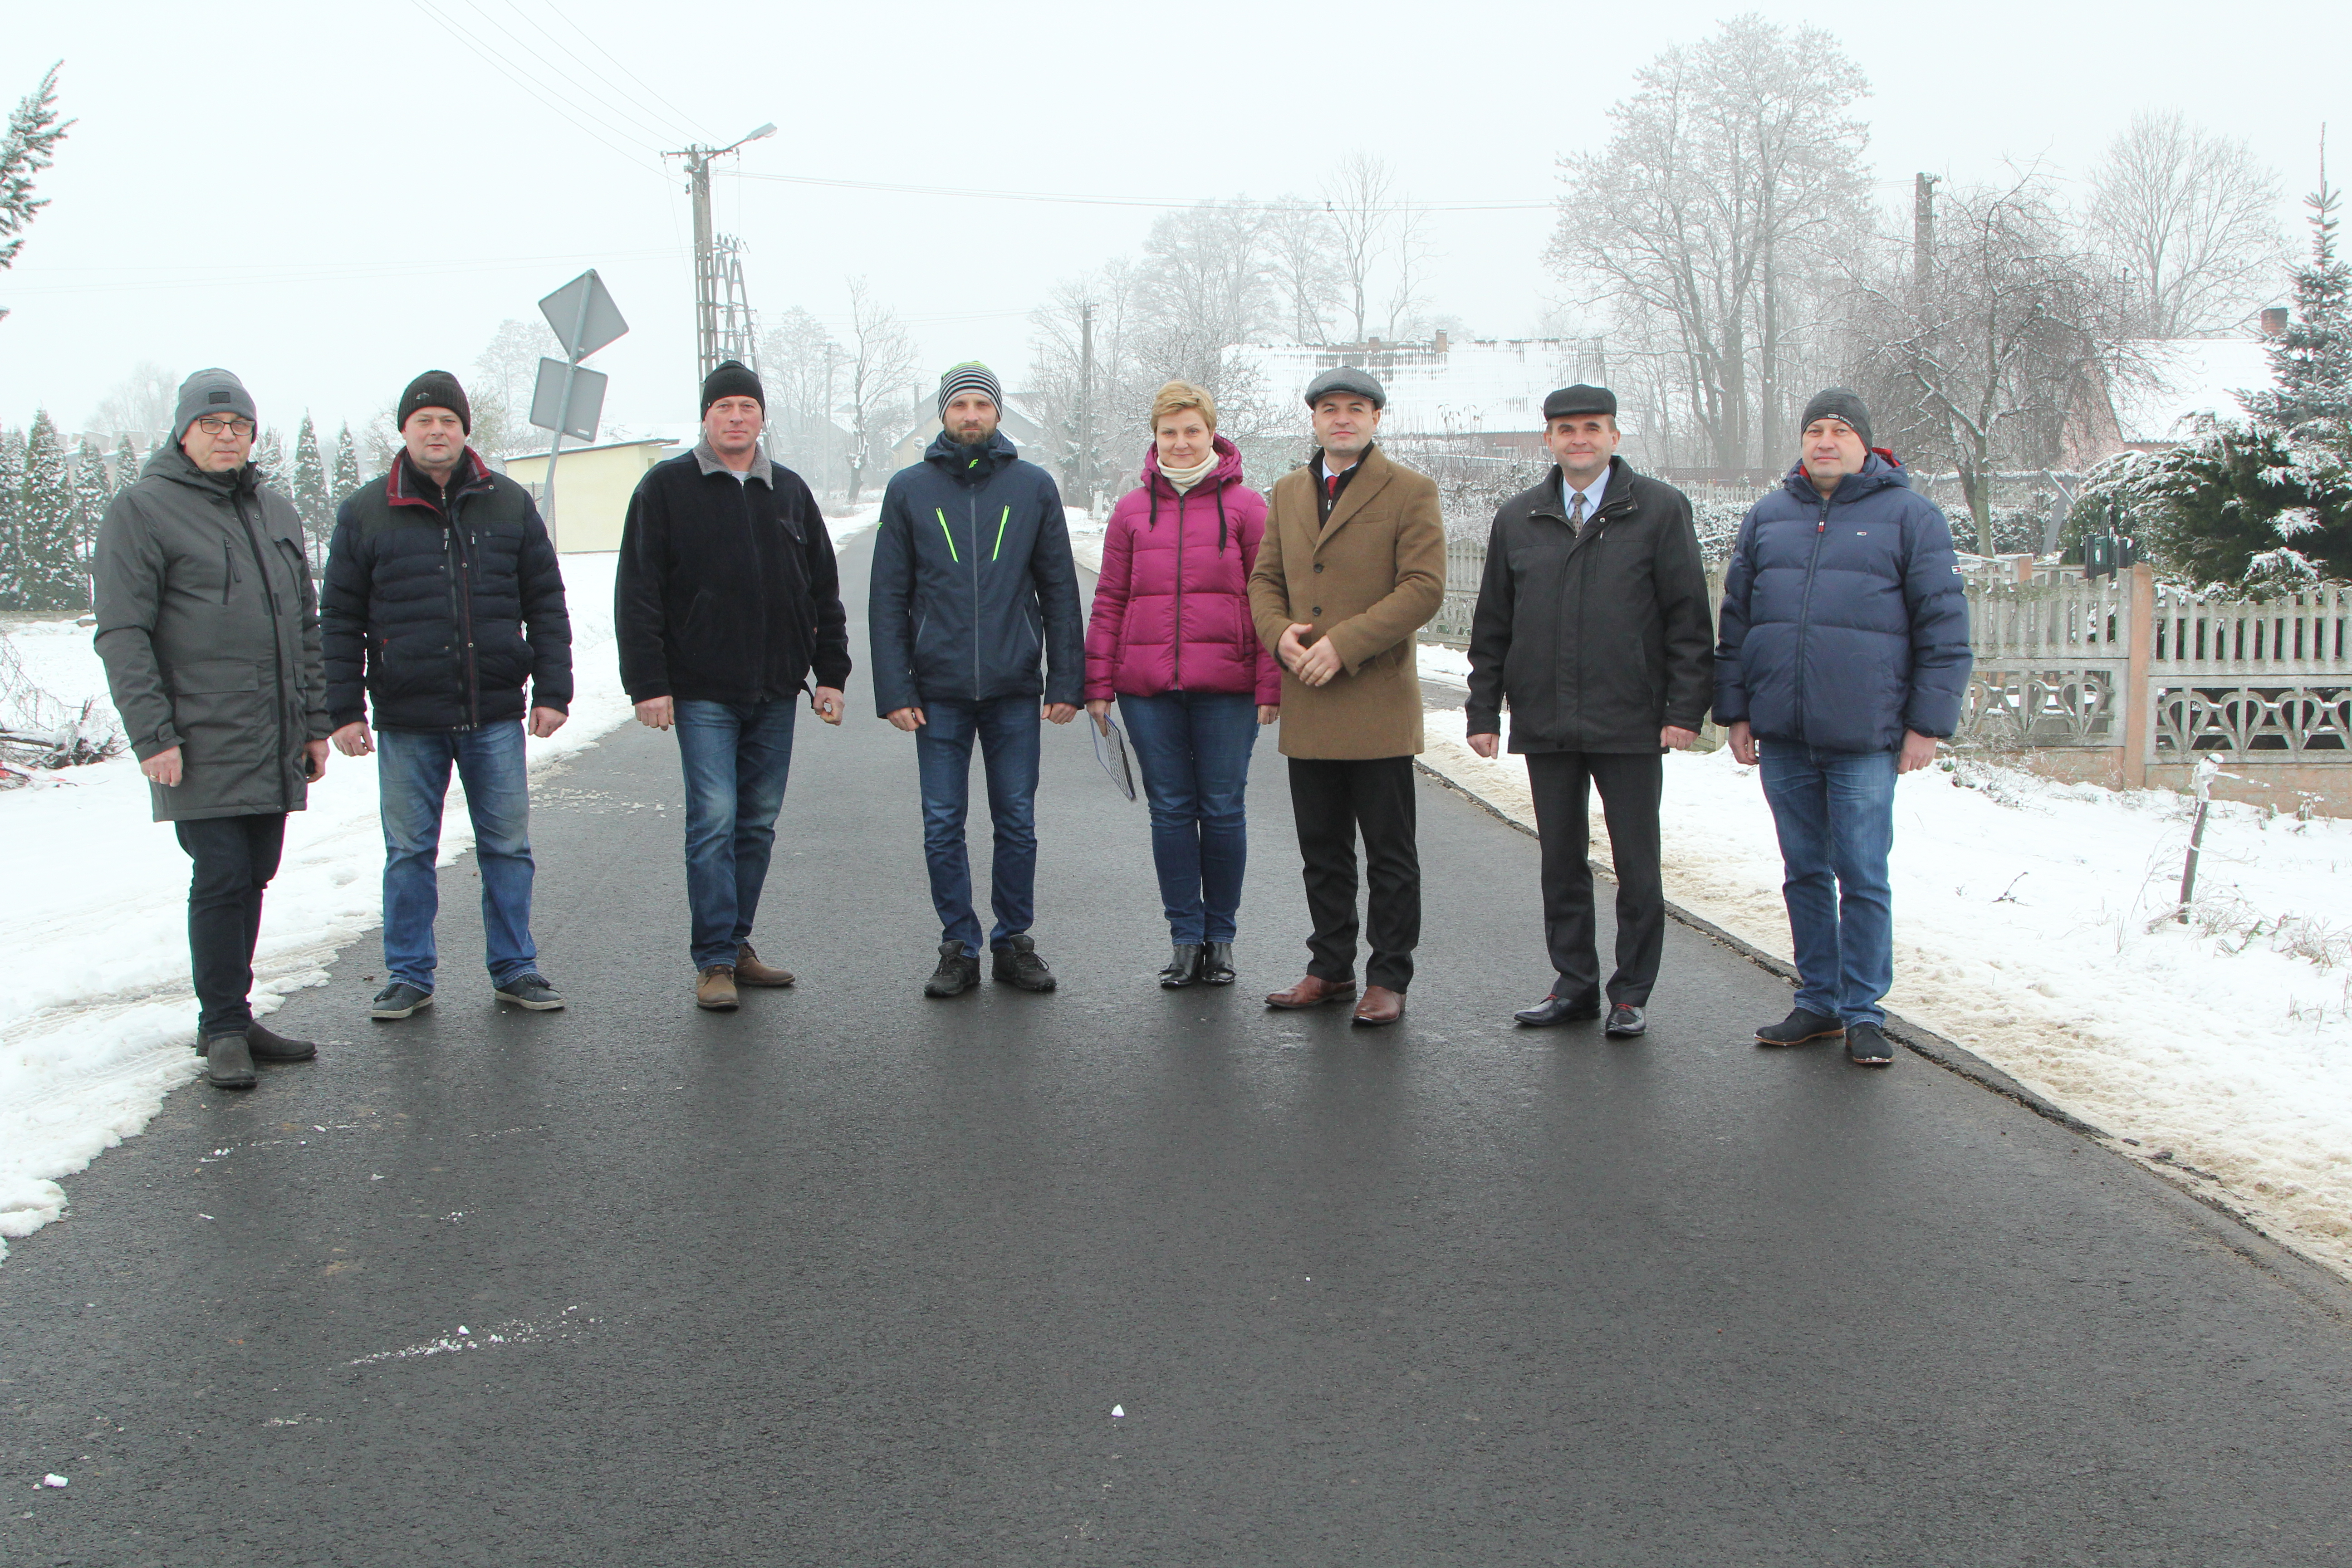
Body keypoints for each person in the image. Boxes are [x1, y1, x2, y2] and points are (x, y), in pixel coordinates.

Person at [1715, 388, 1971, 1066]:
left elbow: (1944, 629)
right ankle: (1819, 1002)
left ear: (1865, 444)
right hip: (1785, 735)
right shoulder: (1769, 517)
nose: (1825, 441)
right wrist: (1736, 711)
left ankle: (1864, 1012)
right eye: (1815, 430)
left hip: (1866, 735)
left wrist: (1927, 725)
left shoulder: (1912, 518)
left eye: (1840, 430)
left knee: (1861, 874)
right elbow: (1737, 625)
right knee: (1803, 870)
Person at [93, 368, 332, 1090]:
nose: (227, 436)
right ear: (183, 432)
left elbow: (304, 624)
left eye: (240, 426)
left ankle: (235, 1011)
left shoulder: (276, 511)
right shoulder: (141, 511)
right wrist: (152, 735)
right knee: (222, 872)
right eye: (212, 425)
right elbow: (123, 633)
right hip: (197, 737)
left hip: (273, 733)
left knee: (256, 872)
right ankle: (222, 1025)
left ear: (254, 436)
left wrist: (315, 723)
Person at [323, 371, 573, 1022]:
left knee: (508, 848)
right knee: (409, 852)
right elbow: (340, 618)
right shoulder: (366, 512)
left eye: (449, 421)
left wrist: (553, 689)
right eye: (424, 420)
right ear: (404, 431)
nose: (437, 431)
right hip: (408, 718)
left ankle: (515, 967)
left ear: (466, 430)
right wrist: (344, 709)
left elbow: (545, 601)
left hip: (493, 712)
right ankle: (408, 974)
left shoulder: (509, 504)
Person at [1466, 385, 1715, 1039]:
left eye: (1593, 427)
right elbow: (1493, 623)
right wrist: (1483, 710)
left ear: (1615, 436)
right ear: (1548, 438)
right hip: (1546, 718)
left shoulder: (1659, 510)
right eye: (1567, 429)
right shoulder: (1518, 517)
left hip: (1630, 717)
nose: (1580, 439)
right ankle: (1573, 984)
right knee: (1561, 861)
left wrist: (1684, 709)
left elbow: (1689, 618)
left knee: (1636, 864)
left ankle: (1630, 993)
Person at [616, 359, 850, 1012]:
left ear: (762, 418)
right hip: (701, 692)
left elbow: (823, 594)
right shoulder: (665, 490)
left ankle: (737, 942)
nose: (737, 417)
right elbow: (638, 592)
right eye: (725, 407)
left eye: (748, 406)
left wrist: (829, 674)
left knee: (757, 823)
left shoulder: (791, 493)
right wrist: (649, 683)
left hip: (776, 690)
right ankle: (713, 959)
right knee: (714, 820)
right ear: (706, 417)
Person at [870, 362, 1083, 998]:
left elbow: (1060, 591)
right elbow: (888, 597)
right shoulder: (909, 490)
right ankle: (958, 945)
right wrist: (894, 689)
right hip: (937, 692)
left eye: (981, 406)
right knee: (942, 821)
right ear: (944, 414)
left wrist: (1065, 679)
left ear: (997, 414)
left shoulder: (1033, 487)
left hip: (1014, 687)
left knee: (1016, 819)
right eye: (959, 405)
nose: (971, 416)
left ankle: (1014, 940)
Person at [1247, 366, 1446, 1027]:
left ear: (1376, 419)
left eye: (1356, 408)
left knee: (1390, 852)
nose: (1342, 419)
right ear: (1314, 419)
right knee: (1322, 850)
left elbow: (1423, 587)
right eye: (1330, 408)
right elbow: (1264, 582)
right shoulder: (1286, 492)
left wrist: (1346, 644)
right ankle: (1329, 967)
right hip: (1308, 696)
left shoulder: (1410, 491)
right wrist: (1282, 638)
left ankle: (1389, 975)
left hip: (1375, 698)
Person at [1083, 381, 1281, 989]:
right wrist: (1098, 681)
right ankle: (1184, 939)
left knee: (1222, 809)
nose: (1181, 442)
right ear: (1156, 438)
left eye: (1192, 430)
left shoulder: (1249, 508)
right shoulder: (1131, 510)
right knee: (1170, 811)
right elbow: (1111, 597)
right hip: (1147, 690)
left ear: (1212, 433)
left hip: (1228, 687)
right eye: (1169, 432)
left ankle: (1221, 938)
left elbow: (1272, 597)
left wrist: (1271, 684)